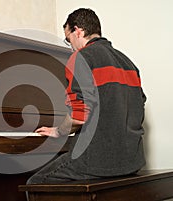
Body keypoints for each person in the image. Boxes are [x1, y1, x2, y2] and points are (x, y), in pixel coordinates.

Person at [27, 8, 146, 184]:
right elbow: (139, 104)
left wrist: (58, 131)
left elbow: (79, 116)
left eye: (69, 40)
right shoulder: (128, 62)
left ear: (78, 31)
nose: (71, 46)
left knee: (35, 183)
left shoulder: (81, 58)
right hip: (132, 160)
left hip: (97, 161)